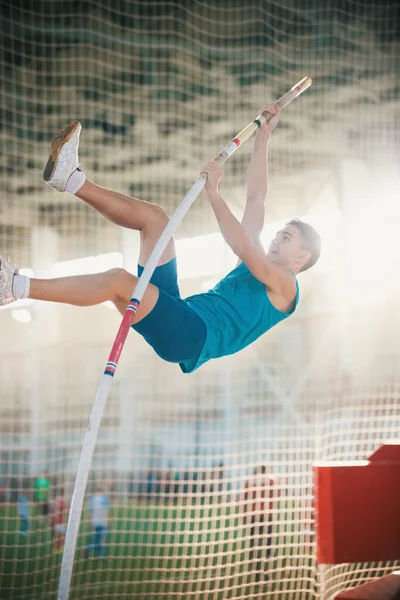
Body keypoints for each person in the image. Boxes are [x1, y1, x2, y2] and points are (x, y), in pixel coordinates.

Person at [0, 105, 321, 373]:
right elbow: (256, 198)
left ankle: (16, 287)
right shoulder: (259, 264)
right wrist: (263, 136)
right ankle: (70, 179)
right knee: (155, 220)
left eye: (287, 237)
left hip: (192, 335)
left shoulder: (285, 285)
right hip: (180, 312)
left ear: (301, 257)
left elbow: (241, 246)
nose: (278, 237)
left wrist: (213, 191)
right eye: (280, 232)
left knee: (119, 281)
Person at [242, 465, 279, 586]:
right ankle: (266, 575)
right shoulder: (271, 481)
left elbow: (245, 500)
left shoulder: (249, 482)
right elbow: (276, 495)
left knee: (255, 547)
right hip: (267, 516)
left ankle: (258, 576)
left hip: (254, 517)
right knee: (267, 548)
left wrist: (244, 517)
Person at [86, 485, 110, 558]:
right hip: (102, 521)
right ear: (102, 491)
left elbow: (89, 511)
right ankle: (101, 555)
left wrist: (89, 520)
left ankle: (88, 550)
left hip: (94, 521)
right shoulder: (105, 499)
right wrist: (108, 520)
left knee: (95, 538)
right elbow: (106, 511)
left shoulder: (92, 499)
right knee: (102, 538)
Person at [51, 487, 68, 552]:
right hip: (61, 518)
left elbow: (53, 508)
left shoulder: (56, 499)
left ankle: (56, 547)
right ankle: (59, 547)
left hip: (56, 518)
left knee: (58, 534)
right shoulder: (63, 500)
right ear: (63, 492)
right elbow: (65, 509)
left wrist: (52, 517)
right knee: (62, 534)